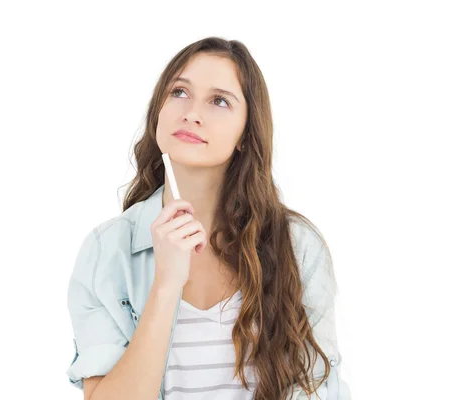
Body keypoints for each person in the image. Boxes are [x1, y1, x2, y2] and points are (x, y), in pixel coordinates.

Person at [66, 36, 351, 400]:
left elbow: (315, 388)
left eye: (219, 101)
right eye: (179, 92)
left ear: (246, 135)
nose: (191, 112)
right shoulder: (106, 251)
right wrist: (166, 285)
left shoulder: (297, 245)